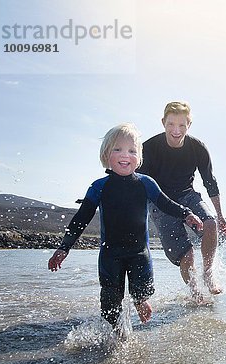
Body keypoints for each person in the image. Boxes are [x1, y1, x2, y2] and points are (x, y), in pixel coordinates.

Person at [47, 123, 203, 329]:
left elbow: (165, 203)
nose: (125, 155)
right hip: (110, 255)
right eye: (117, 149)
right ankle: (115, 337)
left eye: (132, 151)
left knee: (142, 291)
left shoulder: (146, 183)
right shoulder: (99, 187)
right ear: (106, 155)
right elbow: (81, 218)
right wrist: (64, 247)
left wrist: (186, 213)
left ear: (139, 157)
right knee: (110, 305)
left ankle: (140, 301)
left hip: (139, 253)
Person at [138, 101, 226, 301]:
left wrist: (220, 215)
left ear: (189, 124)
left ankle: (208, 274)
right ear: (163, 122)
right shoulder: (148, 148)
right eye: (171, 124)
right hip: (160, 201)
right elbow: (137, 184)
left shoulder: (198, 148)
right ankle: (195, 292)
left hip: (187, 195)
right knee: (186, 256)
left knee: (210, 223)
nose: (176, 130)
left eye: (181, 125)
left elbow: (210, 182)